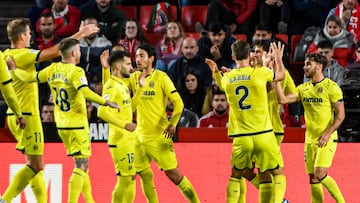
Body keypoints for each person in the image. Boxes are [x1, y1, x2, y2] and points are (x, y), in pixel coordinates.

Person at [0, 18, 99, 203]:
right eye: (29, 34)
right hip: (27, 116)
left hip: (13, 114)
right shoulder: (21, 54)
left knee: (35, 164)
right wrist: (80, 35)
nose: (31, 37)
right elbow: (54, 51)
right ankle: (5, 199)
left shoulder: (6, 54)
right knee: (36, 165)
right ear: (22, 36)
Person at [13, 38, 119, 203]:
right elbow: (85, 92)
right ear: (74, 53)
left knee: (83, 166)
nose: (80, 53)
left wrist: (13, 70)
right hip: (77, 125)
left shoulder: (52, 69)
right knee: (81, 167)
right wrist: (106, 101)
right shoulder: (76, 72)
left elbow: (28, 78)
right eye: (79, 50)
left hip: (61, 125)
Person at [205, 40, 287, 202]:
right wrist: (278, 58)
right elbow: (281, 76)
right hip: (264, 134)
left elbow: (221, 85)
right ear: (249, 55)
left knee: (236, 175)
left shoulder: (228, 77)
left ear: (233, 56)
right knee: (277, 173)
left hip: (242, 137)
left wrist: (215, 71)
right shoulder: (260, 72)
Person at [274, 53, 346, 203]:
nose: (304, 67)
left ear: (319, 67)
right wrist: (276, 81)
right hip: (310, 139)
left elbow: (340, 115)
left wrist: (327, 134)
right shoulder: (303, 88)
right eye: (305, 64)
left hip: (327, 138)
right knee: (313, 178)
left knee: (320, 173)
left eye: (308, 64)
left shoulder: (331, 87)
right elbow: (283, 99)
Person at [134, 43, 200, 202]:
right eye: (136, 56)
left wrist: (173, 124)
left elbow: (178, 103)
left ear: (151, 58)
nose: (137, 59)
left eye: (141, 55)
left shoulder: (161, 78)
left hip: (158, 136)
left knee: (174, 175)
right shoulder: (134, 77)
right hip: (139, 136)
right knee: (142, 175)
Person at [98, 50, 139, 202]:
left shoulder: (121, 84)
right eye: (128, 64)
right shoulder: (112, 86)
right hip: (120, 139)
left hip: (128, 138)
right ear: (117, 67)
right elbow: (102, 111)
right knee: (125, 179)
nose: (131, 67)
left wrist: (140, 90)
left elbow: (131, 107)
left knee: (132, 177)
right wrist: (124, 124)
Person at [79, 15, 112, 84]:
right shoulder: (77, 43)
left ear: (98, 28)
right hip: (79, 77)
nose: (90, 30)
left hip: (97, 79)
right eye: (87, 27)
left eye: (93, 27)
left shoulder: (105, 44)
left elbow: (107, 64)